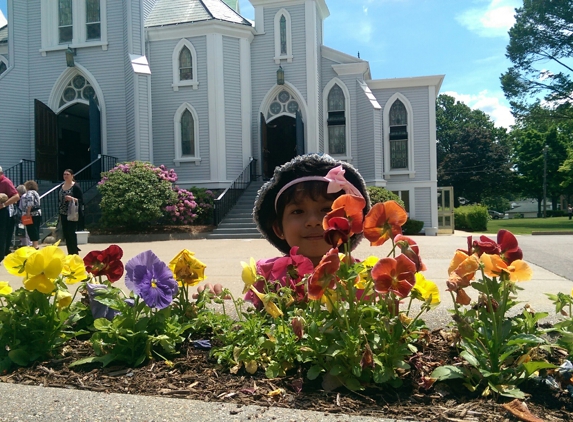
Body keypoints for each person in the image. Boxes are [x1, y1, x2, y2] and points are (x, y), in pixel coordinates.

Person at [197, 154, 371, 300]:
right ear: (279, 229)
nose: (313, 221)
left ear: (349, 222)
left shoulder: (364, 277)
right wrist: (221, 301)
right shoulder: (266, 276)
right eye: (298, 211)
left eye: (326, 209)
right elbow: (251, 319)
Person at [59, 169, 83, 255]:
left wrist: (72, 199)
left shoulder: (75, 186)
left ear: (72, 176)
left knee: (71, 232)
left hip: (72, 213)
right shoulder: (61, 186)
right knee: (66, 234)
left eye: (67, 174)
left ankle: (75, 253)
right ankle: (70, 253)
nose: (65, 176)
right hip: (63, 213)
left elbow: (81, 200)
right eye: (64, 174)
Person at [0, 166, 20, 262]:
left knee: (2, 234)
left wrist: (4, 204)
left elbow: (16, 196)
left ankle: (1, 255)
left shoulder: (6, 182)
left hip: (2, 211)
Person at [20, 180, 42, 250]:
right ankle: (35, 244)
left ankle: (35, 245)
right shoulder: (36, 193)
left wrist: (28, 213)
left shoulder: (29, 193)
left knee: (31, 229)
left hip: (31, 214)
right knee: (36, 229)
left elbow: (30, 203)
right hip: (38, 213)